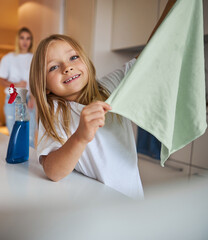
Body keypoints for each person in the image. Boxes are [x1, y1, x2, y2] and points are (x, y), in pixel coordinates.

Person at [29, 1, 176, 199]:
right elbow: (53, 172)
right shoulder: (55, 112)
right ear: (44, 86)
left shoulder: (110, 87)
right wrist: (80, 136)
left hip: (132, 200)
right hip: (96, 209)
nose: (67, 67)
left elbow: (151, 52)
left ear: (86, 62)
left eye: (73, 58)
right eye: (53, 67)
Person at [0, 27, 36, 148]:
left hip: (27, 98)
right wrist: (16, 85)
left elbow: (35, 81)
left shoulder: (34, 58)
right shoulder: (8, 58)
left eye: (28, 38)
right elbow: (1, 80)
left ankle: (28, 162)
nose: (25, 41)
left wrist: (33, 98)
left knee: (29, 133)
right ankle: (14, 161)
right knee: (13, 132)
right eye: (22, 38)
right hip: (12, 98)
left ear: (31, 41)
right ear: (17, 40)